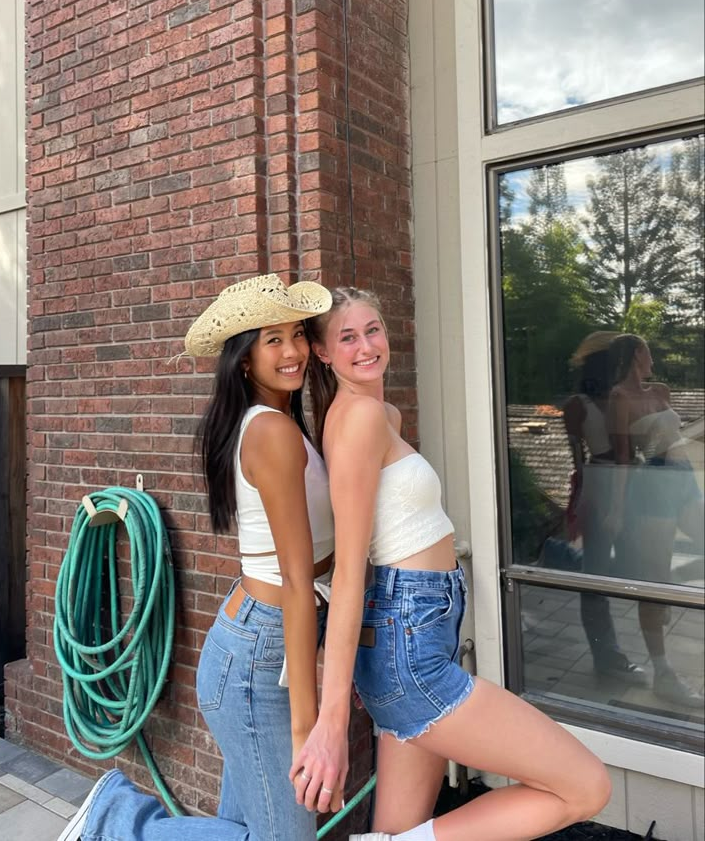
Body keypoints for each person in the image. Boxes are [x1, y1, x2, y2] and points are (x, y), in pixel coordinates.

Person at [290, 286, 611, 841]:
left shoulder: (378, 413)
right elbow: (349, 571)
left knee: (396, 828)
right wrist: (331, 721)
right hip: (408, 640)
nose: (366, 346)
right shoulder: (360, 419)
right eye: (347, 337)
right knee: (586, 788)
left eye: (373, 330)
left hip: (417, 629)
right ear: (322, 353)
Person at [58, 273, 338, 841]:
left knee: (244, 828)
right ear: (243, 360)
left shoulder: (279, 424)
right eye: (273, 340)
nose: (293, 351)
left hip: (258, 646)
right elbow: (293, 580)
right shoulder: (271, 434)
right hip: (261, 655)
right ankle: (118, 822)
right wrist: (311, 723)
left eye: (296, 335)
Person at [607, 333, 704, 708]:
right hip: (653, 487)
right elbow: (623, 459)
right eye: (648, 351)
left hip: (684, 482)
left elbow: (675, 434)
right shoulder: (620, 397)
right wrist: (616, 508)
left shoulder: (660, 389)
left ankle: (677, 584)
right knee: (654, 581)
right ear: (636, 355)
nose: (653, 357)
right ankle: (664, 673)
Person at [563, 331, 647, 686]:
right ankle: (607, 656)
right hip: (600, 484)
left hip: (632, 482)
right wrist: (581, 507)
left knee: (636, 567)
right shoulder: (577, 404)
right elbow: (578, 462)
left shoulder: (623, 397)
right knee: (595, 576)